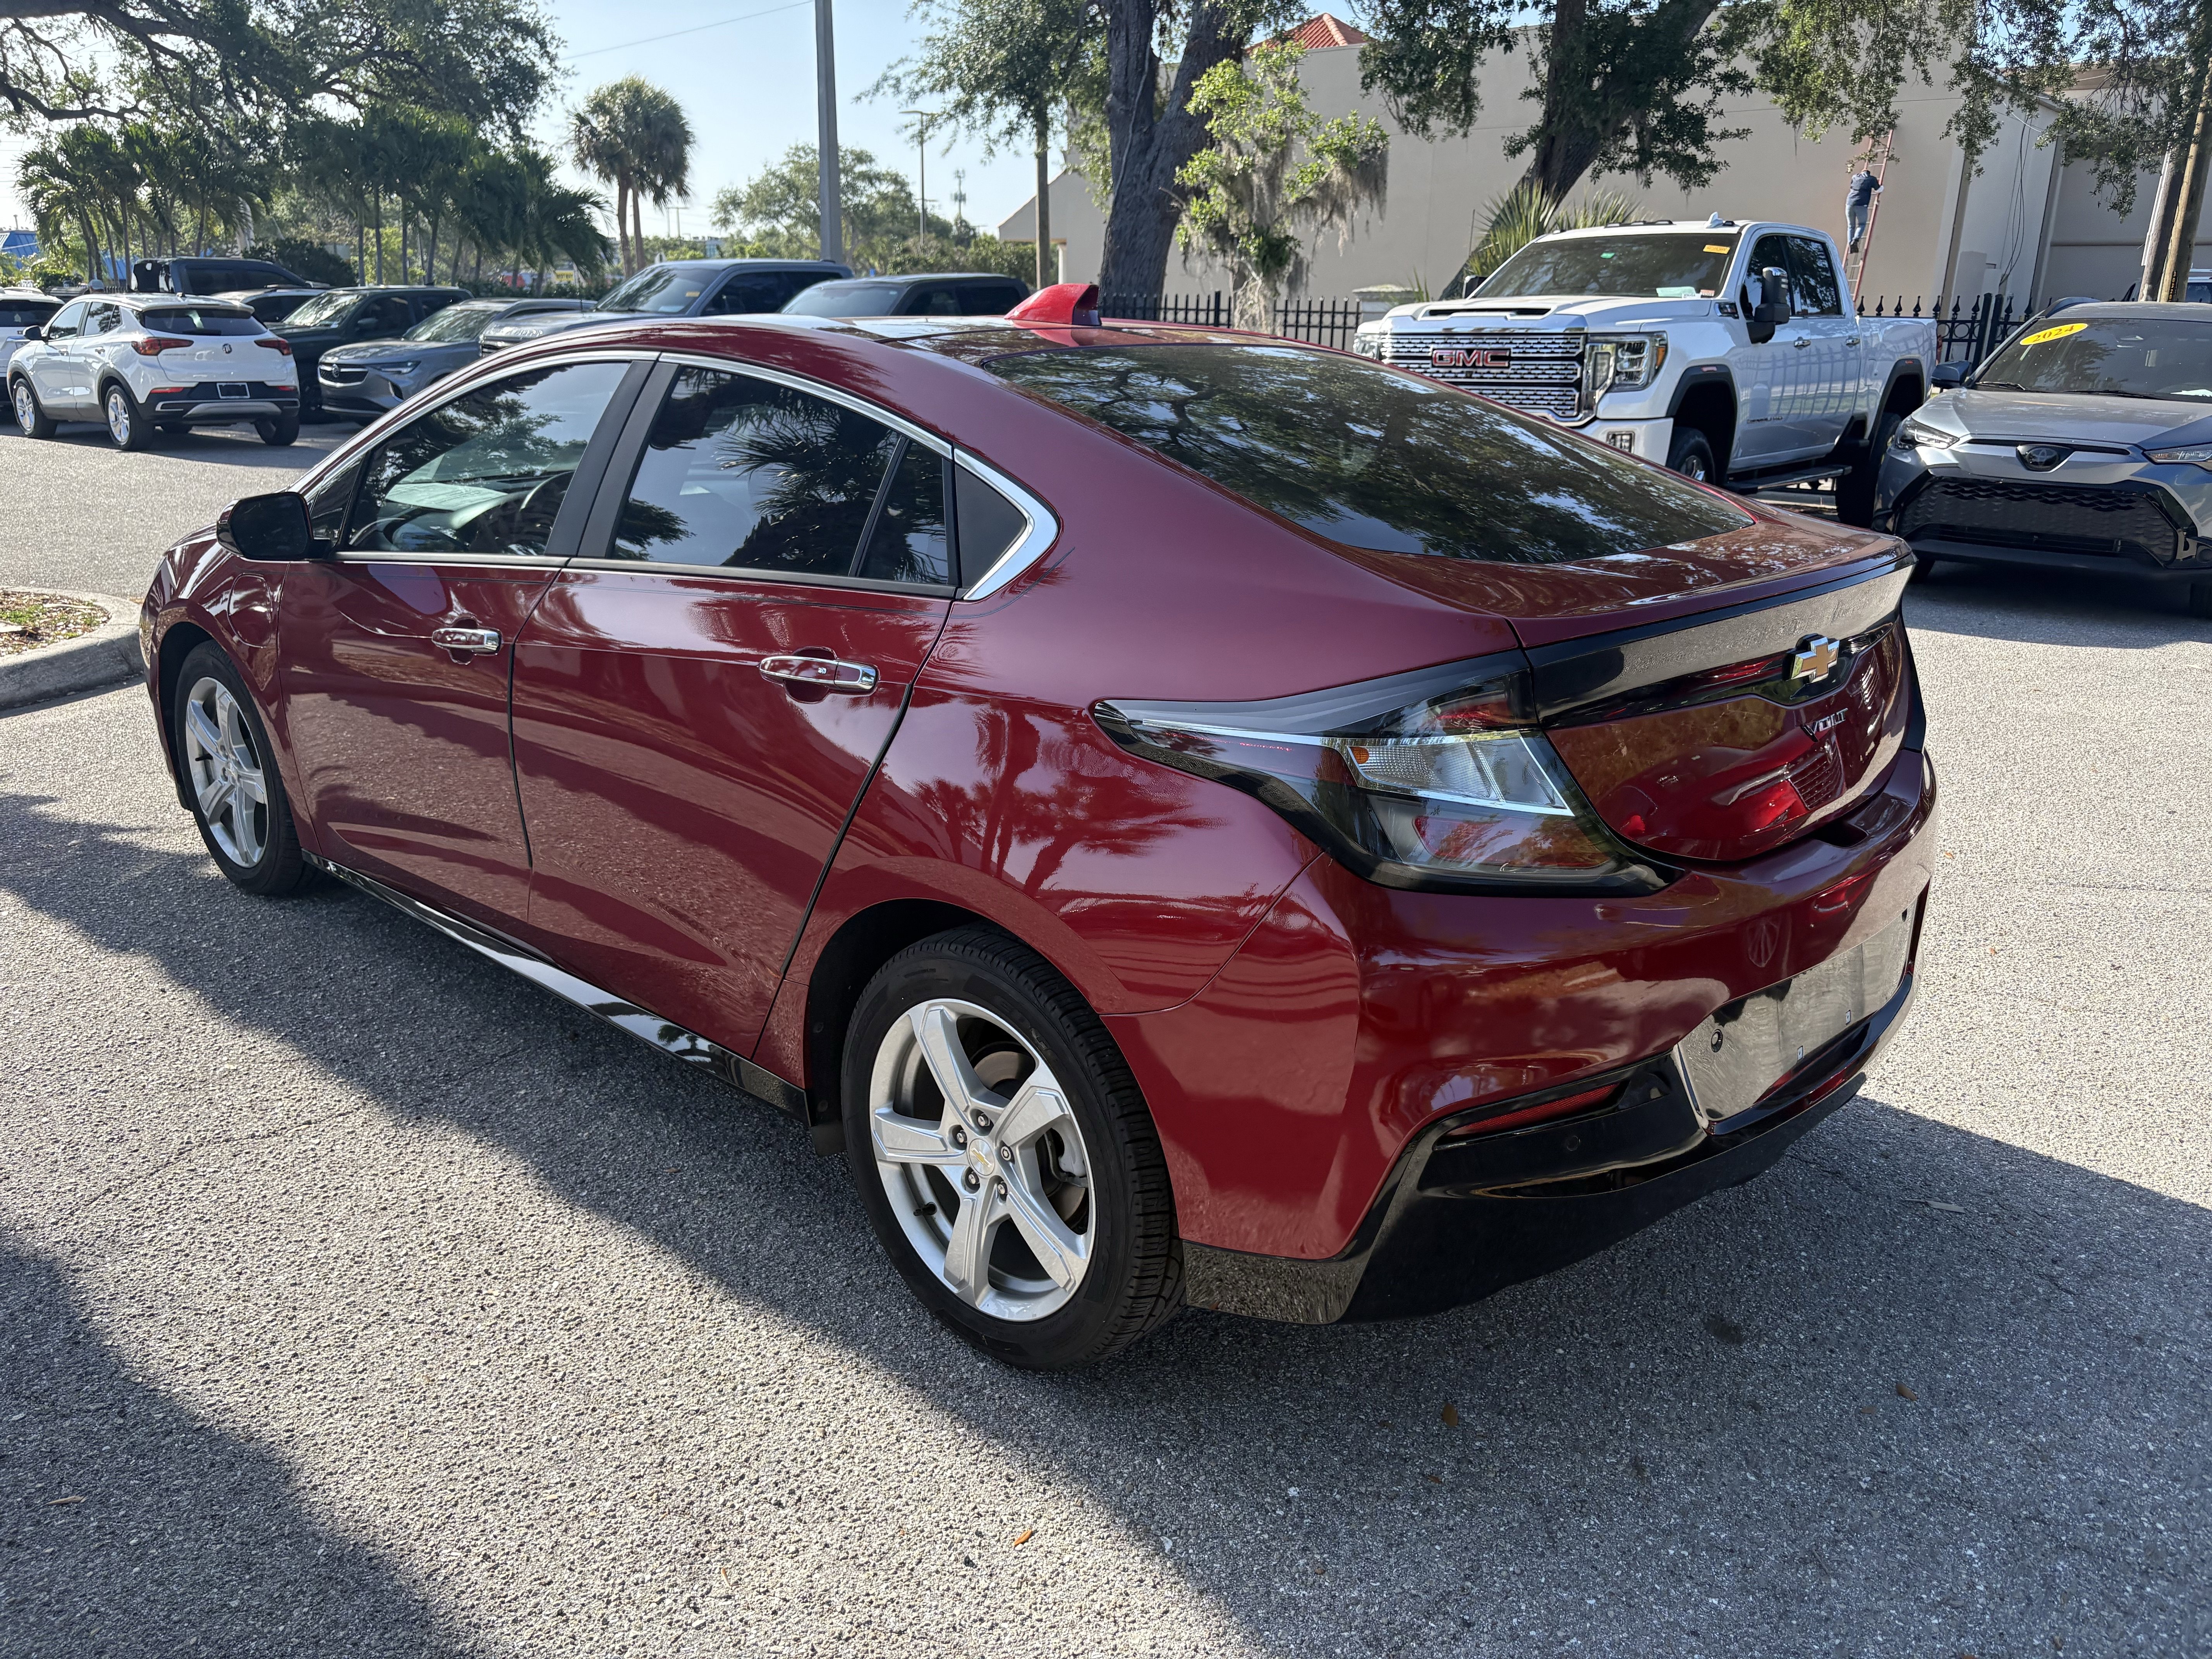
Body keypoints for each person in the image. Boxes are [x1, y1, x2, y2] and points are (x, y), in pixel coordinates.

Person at [1846, 163, 1883, 253]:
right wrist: (1881, 186)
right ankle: (1856, 240)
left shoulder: (1855, 177)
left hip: (1849, 204)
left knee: (1851, 226)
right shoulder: (1871, 179)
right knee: (1862, 224)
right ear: (1868, 173)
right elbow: (1879, 190)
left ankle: (1851, 244)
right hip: (1862, 205)